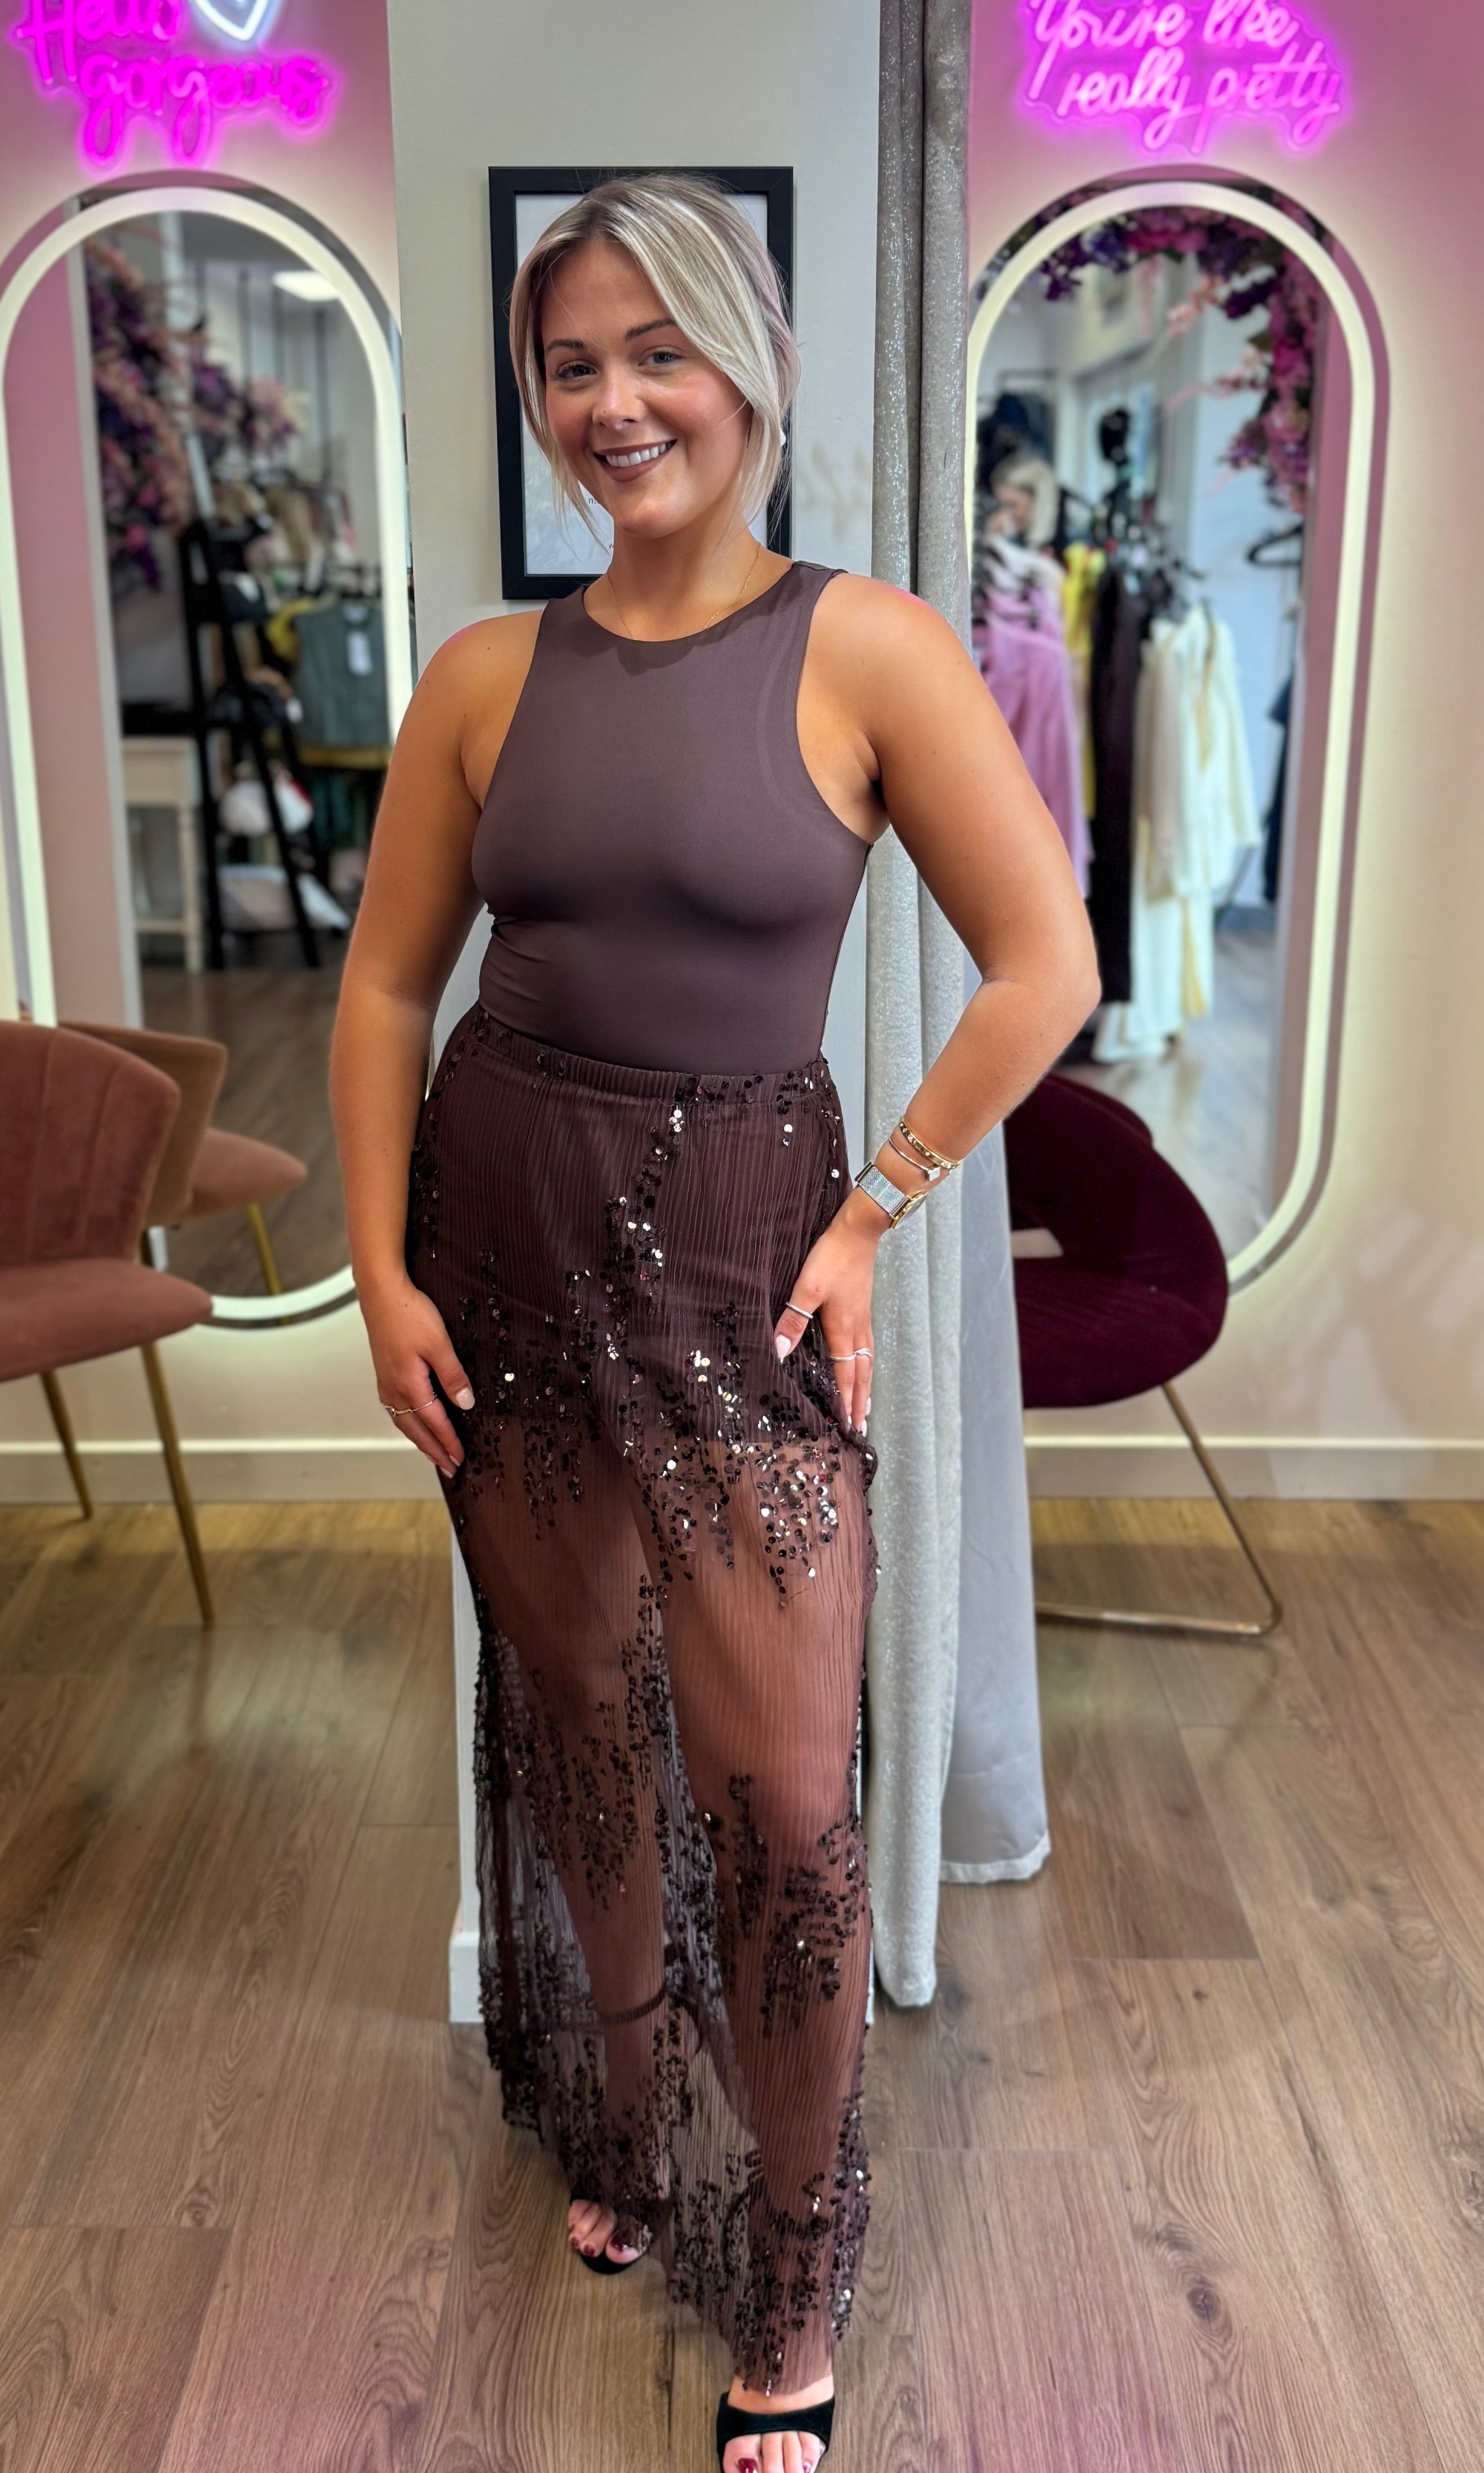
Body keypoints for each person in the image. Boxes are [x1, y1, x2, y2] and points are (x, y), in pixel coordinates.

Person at [329, 172, 1098, 2473]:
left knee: (781, 1790)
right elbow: (383, 988)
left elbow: (1043, 966)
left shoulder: (867, 647)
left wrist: (876, 1215)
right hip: (494, 1238)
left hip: (740, 1254)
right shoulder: (486, 676)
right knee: (579, 1712)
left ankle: (793, 2253)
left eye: (657, 351)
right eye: (572, 363)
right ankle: (627, 2103)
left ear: (748, 368)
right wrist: (376, 1266)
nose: (615, 402)